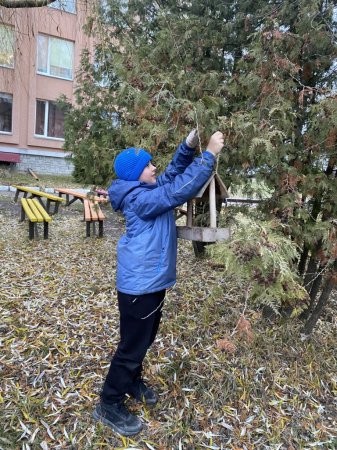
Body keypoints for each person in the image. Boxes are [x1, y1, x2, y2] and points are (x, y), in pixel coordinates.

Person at [93, 130, 224, 436]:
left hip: (150, 283)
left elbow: (173, 175)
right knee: (131, 346)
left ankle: (132, 381)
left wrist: (187, 147)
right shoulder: (141, 199)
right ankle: (108, 402)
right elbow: (176, 191)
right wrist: (208, 155)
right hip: (140, 286)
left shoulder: (144, 189)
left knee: (144, 339)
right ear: (135, 174)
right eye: (149, 165)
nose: (155, 168)